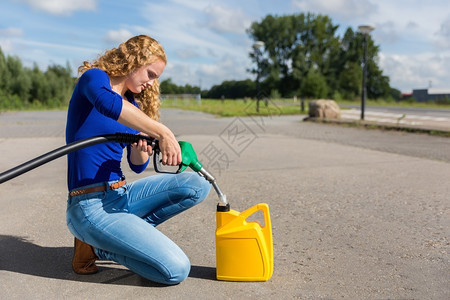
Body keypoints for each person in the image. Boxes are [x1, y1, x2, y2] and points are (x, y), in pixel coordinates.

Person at [65, 35, 211, 285]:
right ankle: (101, 248)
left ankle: (114, 238)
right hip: (89, 205)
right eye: (150, 74)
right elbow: (106, 102)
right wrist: (162, 132)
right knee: (176, 270)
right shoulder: (95, 78)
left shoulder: (133, 107)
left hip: (120, 195)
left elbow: (137, 165)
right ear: (134, 61)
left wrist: (140, 144)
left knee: (198, 184)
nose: (151, 83)